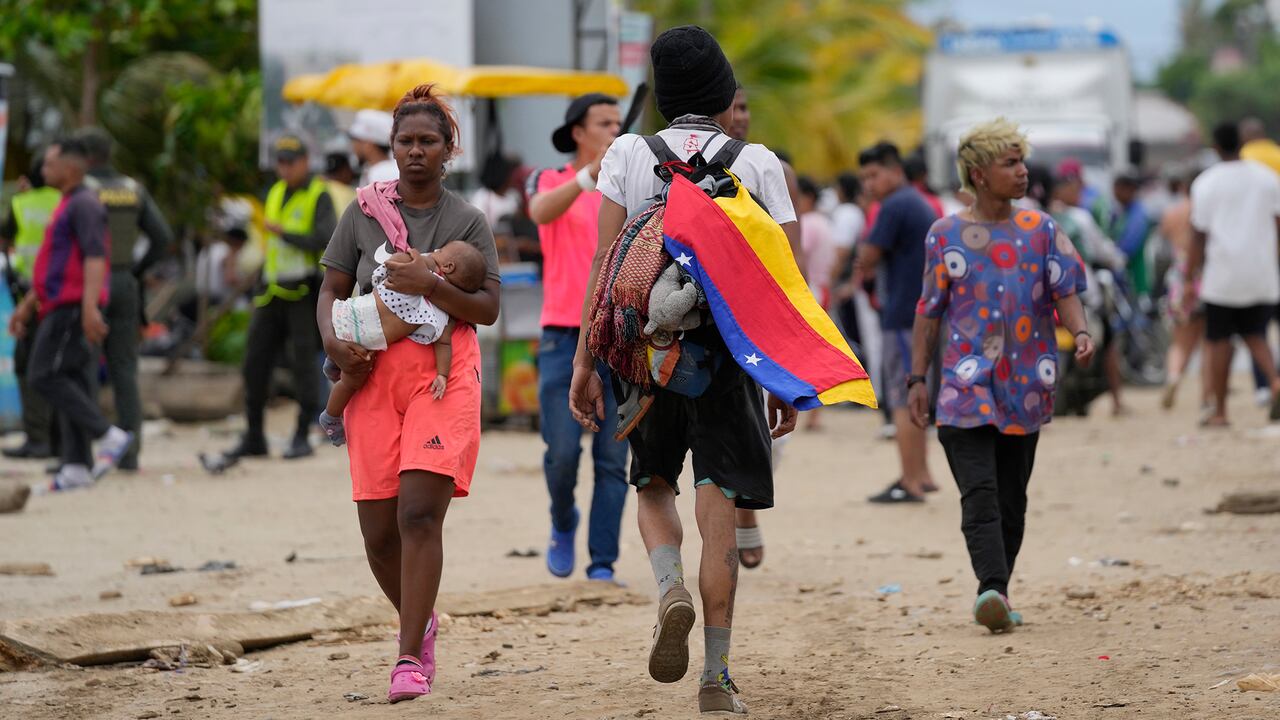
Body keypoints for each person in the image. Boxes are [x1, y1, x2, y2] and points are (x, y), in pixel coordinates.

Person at [569, 26, 798, 715]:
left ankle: (669, 587)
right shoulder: (756, 161)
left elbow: (607, 268)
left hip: (644, 354)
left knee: (653, 484)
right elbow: (788, 282)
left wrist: (585, 361)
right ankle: (716, 678)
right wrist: (787, 377)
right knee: (718, 505)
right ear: (726, 92)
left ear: (663, 98)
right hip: (727, 361)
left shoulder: (629, 154)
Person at [318, 83, 501, 703]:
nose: (416, 151)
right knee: (378, 534)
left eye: (429, 141)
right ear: (391, 147)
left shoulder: (468, 220)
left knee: (418, 512)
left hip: (442, 373)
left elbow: (488, 307)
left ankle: (407, 661)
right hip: (371, 376)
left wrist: (430, 282)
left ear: (450, 149)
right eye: (405, 141)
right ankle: (420, 623)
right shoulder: (361, 213)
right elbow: (331, 288)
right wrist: (335, 344)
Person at [909, 118, 1095, 632]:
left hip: (1026, 387)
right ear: (978, 174)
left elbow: (1065, 291)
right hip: (963, 389)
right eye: (1009, 163)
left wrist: (1079, 332)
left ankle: (998, 591)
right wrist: (916, 378)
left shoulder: (1042, 230)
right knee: (981, 495)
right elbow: (928, 310)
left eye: (1022, 161)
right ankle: (990, 587)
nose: (1022, 171)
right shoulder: (944, 234)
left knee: (1013, 501)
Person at [524, 92, 630, 582]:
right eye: (604, 122)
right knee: (562, 452)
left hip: (618, 337)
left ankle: (602, 563)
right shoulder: (551, 179)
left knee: (613, 459)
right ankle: (562, 521)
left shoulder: (629, 187)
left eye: (617, 122)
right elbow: (541, 211)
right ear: (578, 134)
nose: (614, 129)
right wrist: (590, 175)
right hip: (562, 336)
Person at [7, 139, 136, 489]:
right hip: (55, 301)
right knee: (72, 378)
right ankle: (76, 464)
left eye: (49, 164)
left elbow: (96, 257)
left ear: (71, 167)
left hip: (71, 305)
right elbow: (53, 263)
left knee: (43, 374)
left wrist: (90, 307)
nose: (43, 170)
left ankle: (108, 434)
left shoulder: (85, 205)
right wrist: (26, 305)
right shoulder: (66, 204)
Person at [725, 83, 804, 571]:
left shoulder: (776, 169)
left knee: (773, 434)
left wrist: (802, 320)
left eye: (746, 105)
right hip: (710, 312)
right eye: (732, 105)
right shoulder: (683, 161)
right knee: (726, 424)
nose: (741, 114)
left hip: (767, 314)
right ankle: (735, 520)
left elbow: (791, 252)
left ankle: (746, 511)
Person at [224, 134, 337, 461]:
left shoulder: (318, 195)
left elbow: (325, 239)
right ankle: (254, 435)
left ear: (304, 162)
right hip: (271, 290)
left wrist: (284, 233)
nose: (284, 168)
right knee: (254, 364)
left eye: (291, 161)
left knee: (304, 367)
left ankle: (302, 434)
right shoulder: (273, 192)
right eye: (280, 162)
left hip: (302, 291)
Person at [319, 239, 487, 446]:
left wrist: (443, 374)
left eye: (441, 251)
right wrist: (416, 260)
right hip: (353, 316)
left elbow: (443, 342)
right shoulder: (414, 271)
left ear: (448, 266)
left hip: (364, 341)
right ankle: (332, 387)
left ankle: (330, 415)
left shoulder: (442, 310)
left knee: (351, 380)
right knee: (348, 375)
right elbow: (393, 263)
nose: (435, 251)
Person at [76, 127, 174, 471]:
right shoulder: (133, 189)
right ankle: (129, 454)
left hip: (90, 284)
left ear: (84, 157)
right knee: (124, 369)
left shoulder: (80, 191)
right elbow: (162, 237)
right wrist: (135, 269)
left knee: (84, 367)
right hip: (124, 282)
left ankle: (84, 454)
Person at [856, 141, 940, 503]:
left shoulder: (893, 206)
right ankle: (922, 474)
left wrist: (867, 214)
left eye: (873, 175)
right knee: (916, 396)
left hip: (903, 316)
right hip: (921, 315)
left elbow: (867, 257)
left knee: (902, 400)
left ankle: (909, 481)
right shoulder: (915, 201)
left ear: (894, 170)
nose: (869, 184)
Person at [1187, 122, 1280, 426]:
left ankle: (1220, 411)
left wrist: (1189, 276)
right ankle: (1275, 381)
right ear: (1242, 143)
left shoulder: (1205, 183)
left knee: (1220, 340)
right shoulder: (1267, 179)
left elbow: (1198, 235)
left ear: (1214, 148)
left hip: (1222, 276)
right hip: (1261, 272)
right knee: (1255, 333)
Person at [1, 154, 61, 459]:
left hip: (32, 292)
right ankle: (58, 439)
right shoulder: (65, 199)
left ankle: (38, 439)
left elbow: (6, 237)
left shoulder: (22, 204)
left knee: (30, 365)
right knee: (57, 365)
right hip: (61, 292)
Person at [1158, 169, 1208, 411]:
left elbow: (1162, 245)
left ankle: (1174, 377)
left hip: (1179, 274)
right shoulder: (1206, 212)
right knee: (1210, 340)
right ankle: (1207, 397)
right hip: (1205, 275)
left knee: (1179, 341)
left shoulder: (1171, 213)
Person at [796, 176, 836, 431]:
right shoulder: (824, 222)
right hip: (822, 289)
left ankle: (812, 411)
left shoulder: (807, 224)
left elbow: (796, 254)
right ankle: (815, 412)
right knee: (817, 350)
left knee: (806, 353)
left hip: (809, 291)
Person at [349, 109, 399, 187]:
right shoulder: (375, 170)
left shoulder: (380, 175)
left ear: (368, 145)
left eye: (356, 140)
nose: (353, 145)